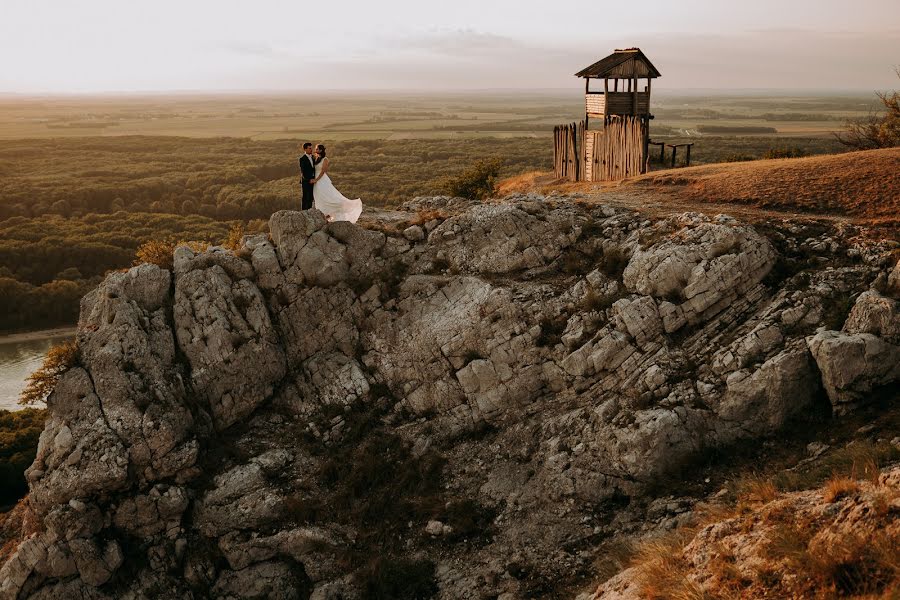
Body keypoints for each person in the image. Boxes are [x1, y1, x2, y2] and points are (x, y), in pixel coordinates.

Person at [311, 144, 363, 223]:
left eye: (317, 149)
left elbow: (323, 171)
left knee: (326, 196)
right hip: (316, 181)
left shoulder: (325, 159)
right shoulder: (316, 158)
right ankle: (323, 214)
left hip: (321, 180)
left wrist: (316, 180)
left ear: (321, 150)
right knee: (319, 197)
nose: (315, 150)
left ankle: (330, 212)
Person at [298, 142, 316, 210]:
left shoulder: (313, 157)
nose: (311, 149)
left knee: (311, 197)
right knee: (305, 197)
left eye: (311, 148)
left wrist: (314, 179)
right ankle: (304, 212)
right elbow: (303, 172)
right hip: (306, 181)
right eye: (310, 148)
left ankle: (310, 210)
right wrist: (309, 180)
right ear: (305, 149)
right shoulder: (302, 159)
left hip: (313, 181)